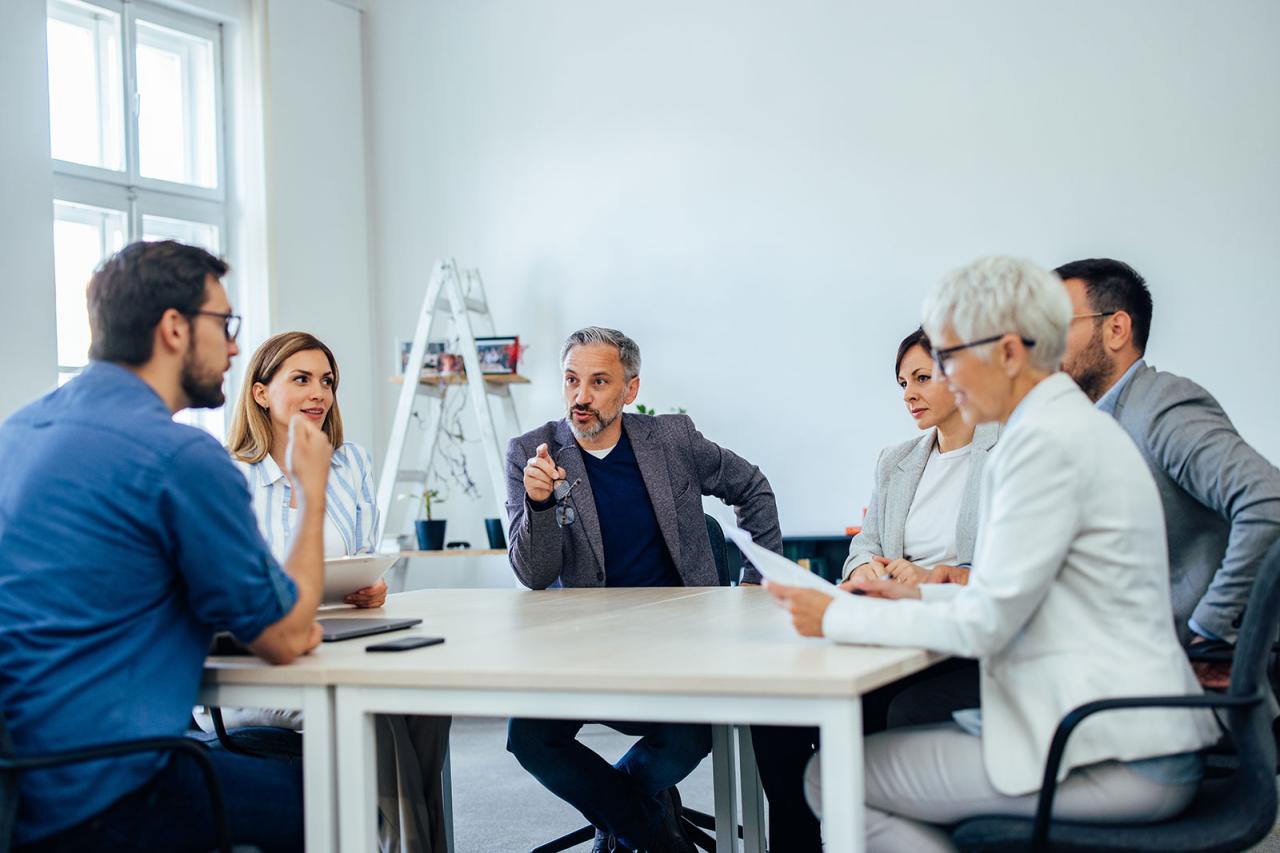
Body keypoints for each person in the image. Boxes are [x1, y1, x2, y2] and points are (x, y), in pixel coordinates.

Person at [769, 257, 1219, 852]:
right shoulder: (1064, 426)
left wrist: (837, 616)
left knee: (830, 776)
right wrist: (915, 592)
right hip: (1120, 730)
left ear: (1007, 351)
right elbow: (1010, 592)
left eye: (950, 359)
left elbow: (988, 622)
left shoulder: (1041, 445)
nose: (943, 381)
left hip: (1113, 751)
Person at [0, 240, 329, 852]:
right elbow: (284, 636)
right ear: (175, 328)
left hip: (16, 788)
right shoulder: (179, 457)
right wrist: (311, 494)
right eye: (224, 324)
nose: (235, 346)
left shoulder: (15, 434)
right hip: (107, 789)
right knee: (344, 803)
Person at [504, 326, 782, 853]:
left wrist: (756, 585)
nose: (580, 397)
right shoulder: (531, 454)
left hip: (679, 646)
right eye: (571, 381)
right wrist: (538, 506)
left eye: (598, 382)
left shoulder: (671, 441)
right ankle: (654, 835)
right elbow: (535, 574)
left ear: (629, 389)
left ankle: (627, 821)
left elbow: (752, 490)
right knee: (529, 738)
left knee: (688, 737)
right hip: (580, 648)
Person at [750, 327, 999, 852]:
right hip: (885, 622)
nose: (909, 393)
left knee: (863, 707)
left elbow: (1003, 565)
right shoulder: (897, 460)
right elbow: (865, 543)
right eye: (903, 381)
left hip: (947, 632)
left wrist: (929, 575)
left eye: (923, 378)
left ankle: (857, 829)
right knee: (777, 712)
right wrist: (868, 571)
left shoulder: (1004, 451)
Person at [218, 330, 451, 853]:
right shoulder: (232, 477)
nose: (319, 392)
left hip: (344, 642)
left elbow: (358, 558)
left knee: (429, 704)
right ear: (261, 393)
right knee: (377, 717)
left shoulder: (352, 464)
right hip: (261, 669)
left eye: (327, 381)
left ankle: (407, 844)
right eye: (300, 379)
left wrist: (372, 587)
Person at [1056, 258, 1280, 662]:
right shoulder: (1090, 425)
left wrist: (1206, 630)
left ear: (1117, 329)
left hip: (1168, 680)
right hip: (1101, 662)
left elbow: (1268, 501)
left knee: (916, 712)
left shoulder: (1163, 406)